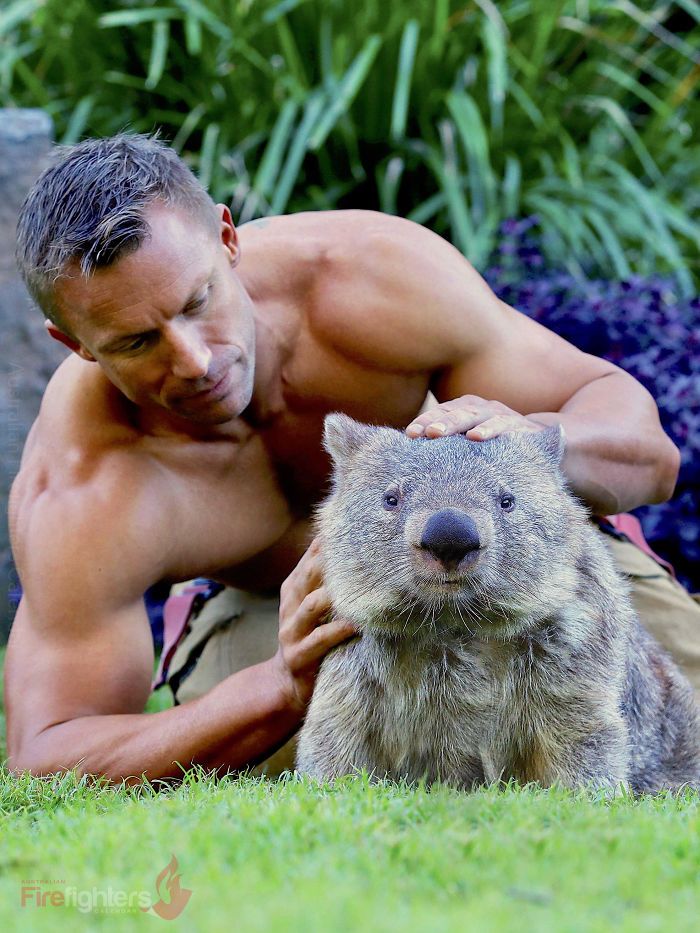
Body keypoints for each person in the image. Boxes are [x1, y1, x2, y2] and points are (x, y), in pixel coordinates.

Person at [5, 134, 698, 783]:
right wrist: (277, 686)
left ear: (227, 238)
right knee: (331, 757)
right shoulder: (87, 483)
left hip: (517, 564)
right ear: (77, 346)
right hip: (289, 616)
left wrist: (527, 439)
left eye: (198, 300)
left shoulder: (372, 282)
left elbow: (648, 453)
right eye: (134, 343)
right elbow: (48, 753)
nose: (195, 359)